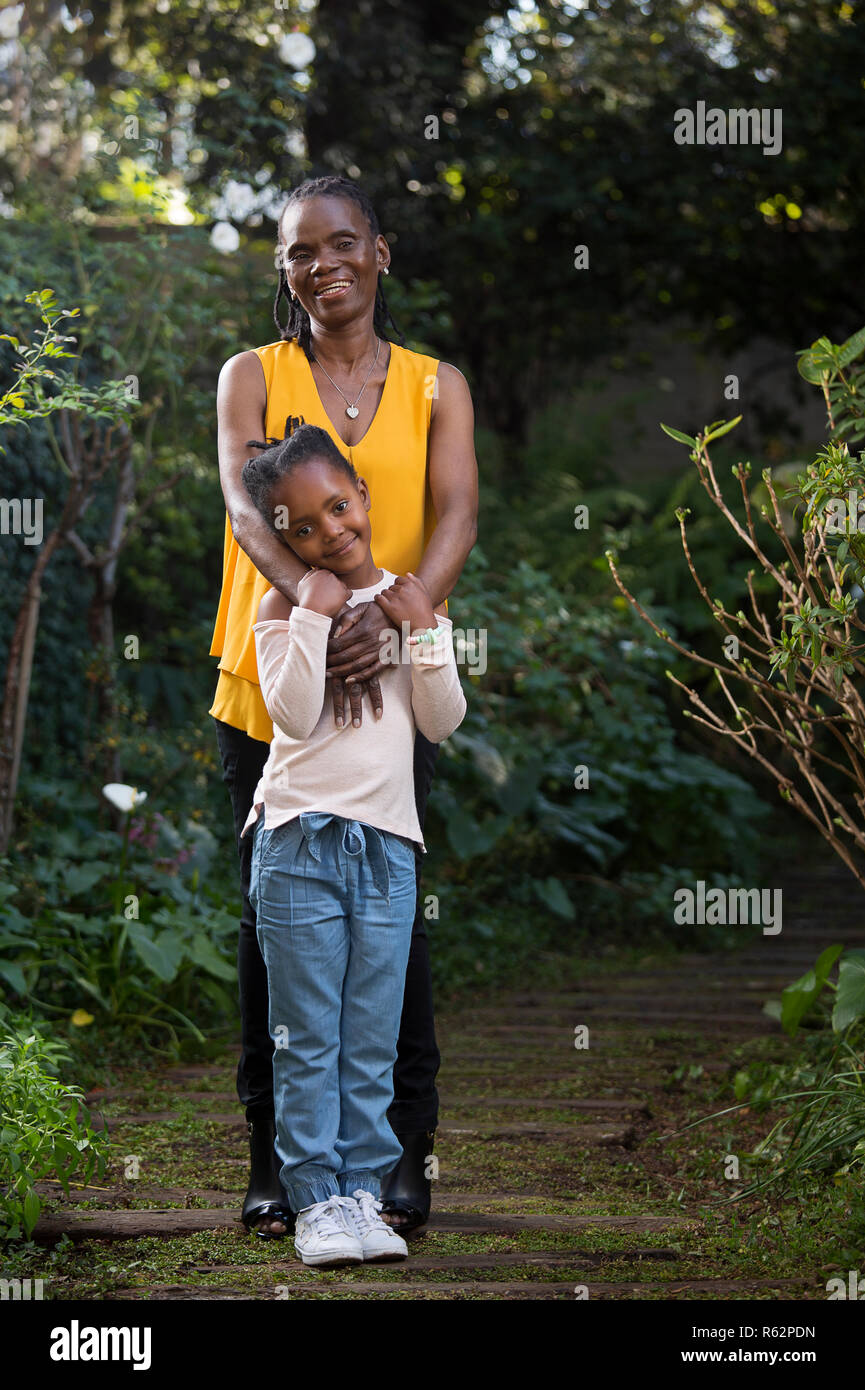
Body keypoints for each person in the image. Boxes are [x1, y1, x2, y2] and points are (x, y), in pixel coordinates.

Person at [209, 175, 478, 1236]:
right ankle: (277, 1166)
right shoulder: (253, 373)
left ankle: (401, 1158)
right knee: (274, 931)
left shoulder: (432, 383)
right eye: (297, 253)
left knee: (388, 930)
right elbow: (242, 501)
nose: (321, 265)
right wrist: (316, 601)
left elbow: (455, 512)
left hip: (393, 687)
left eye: (340, 244)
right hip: (273, 677)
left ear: (379, 251)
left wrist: (396, 618)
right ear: (284, 272)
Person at [239, 423, 467, 1266]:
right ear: (285, 538)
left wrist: (427, 626)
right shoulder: (281, 605)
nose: (330, 531)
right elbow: (293, 715)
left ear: (365, 496)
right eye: (303, 526)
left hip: (388, 852)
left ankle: (365, 1198)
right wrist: (311, 614)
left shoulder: (410, 600)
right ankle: (315, 1205)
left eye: (339, 507)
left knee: (370, 1038)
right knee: (307, 1037)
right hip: (299, 845)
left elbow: (440, 722)